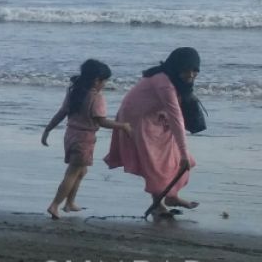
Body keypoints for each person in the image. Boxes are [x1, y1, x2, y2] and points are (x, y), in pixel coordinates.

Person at [104, 47, 202, 217]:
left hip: (156, 115)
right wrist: (184, 152)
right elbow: (176, 116)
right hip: (137, 119)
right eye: (187, 70)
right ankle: (158, 204)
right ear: (176, 67)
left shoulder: (176, 80)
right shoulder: (163, 82)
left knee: (177, 158)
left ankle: (171, 197)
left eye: (195, 71)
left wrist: (184, 153)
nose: (191, 75)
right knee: (156, 162)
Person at [41, 59, 129, 219]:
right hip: (85, 138)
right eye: (105, 81)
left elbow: (62, 112)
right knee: (73, 172)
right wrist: (122, 126)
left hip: (70, 135)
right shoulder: (96, 98)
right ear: (97, 80)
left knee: (81, 170)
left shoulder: (74, 91)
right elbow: (102, 121)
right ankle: (55, 205)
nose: (105, 84)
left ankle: (70, 202)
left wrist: (47, 129)